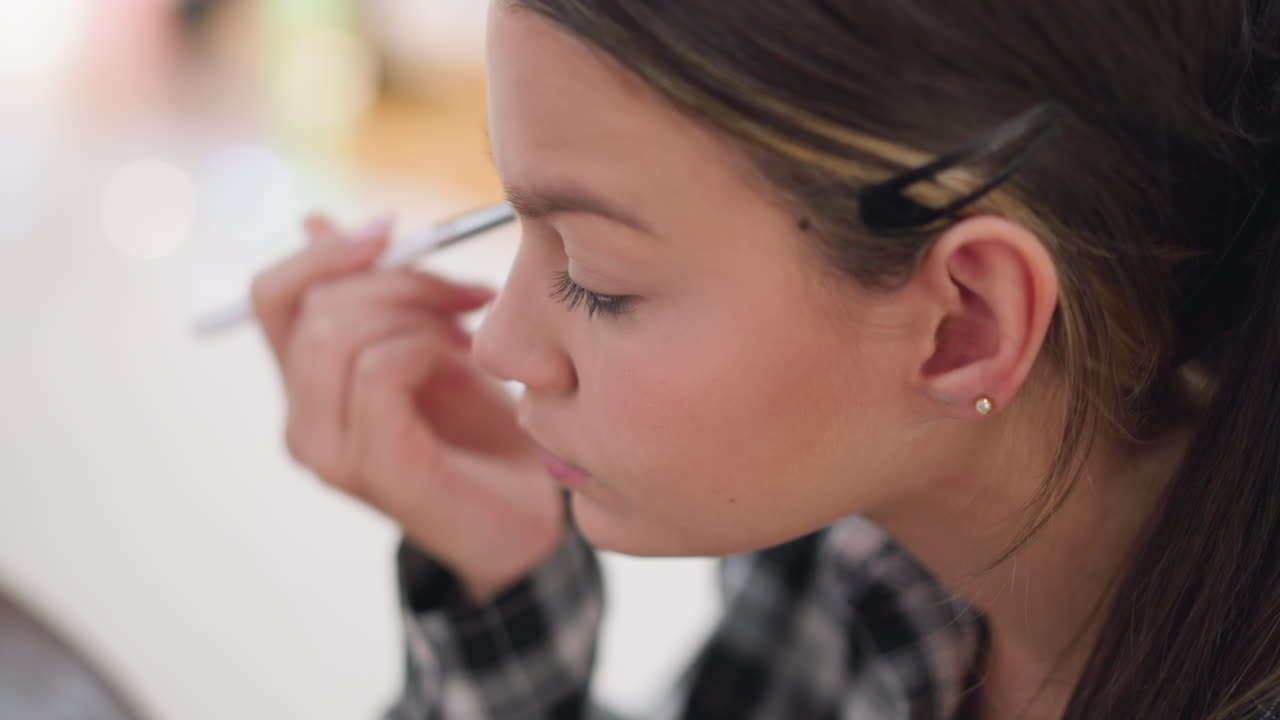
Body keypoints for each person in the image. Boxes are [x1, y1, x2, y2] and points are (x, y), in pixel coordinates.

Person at [249, 1, 1280, 718]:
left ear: (964, 323)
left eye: (598, 274)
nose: (500, 343)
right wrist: (496, 569)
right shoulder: (856, 559)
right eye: (512, 217)